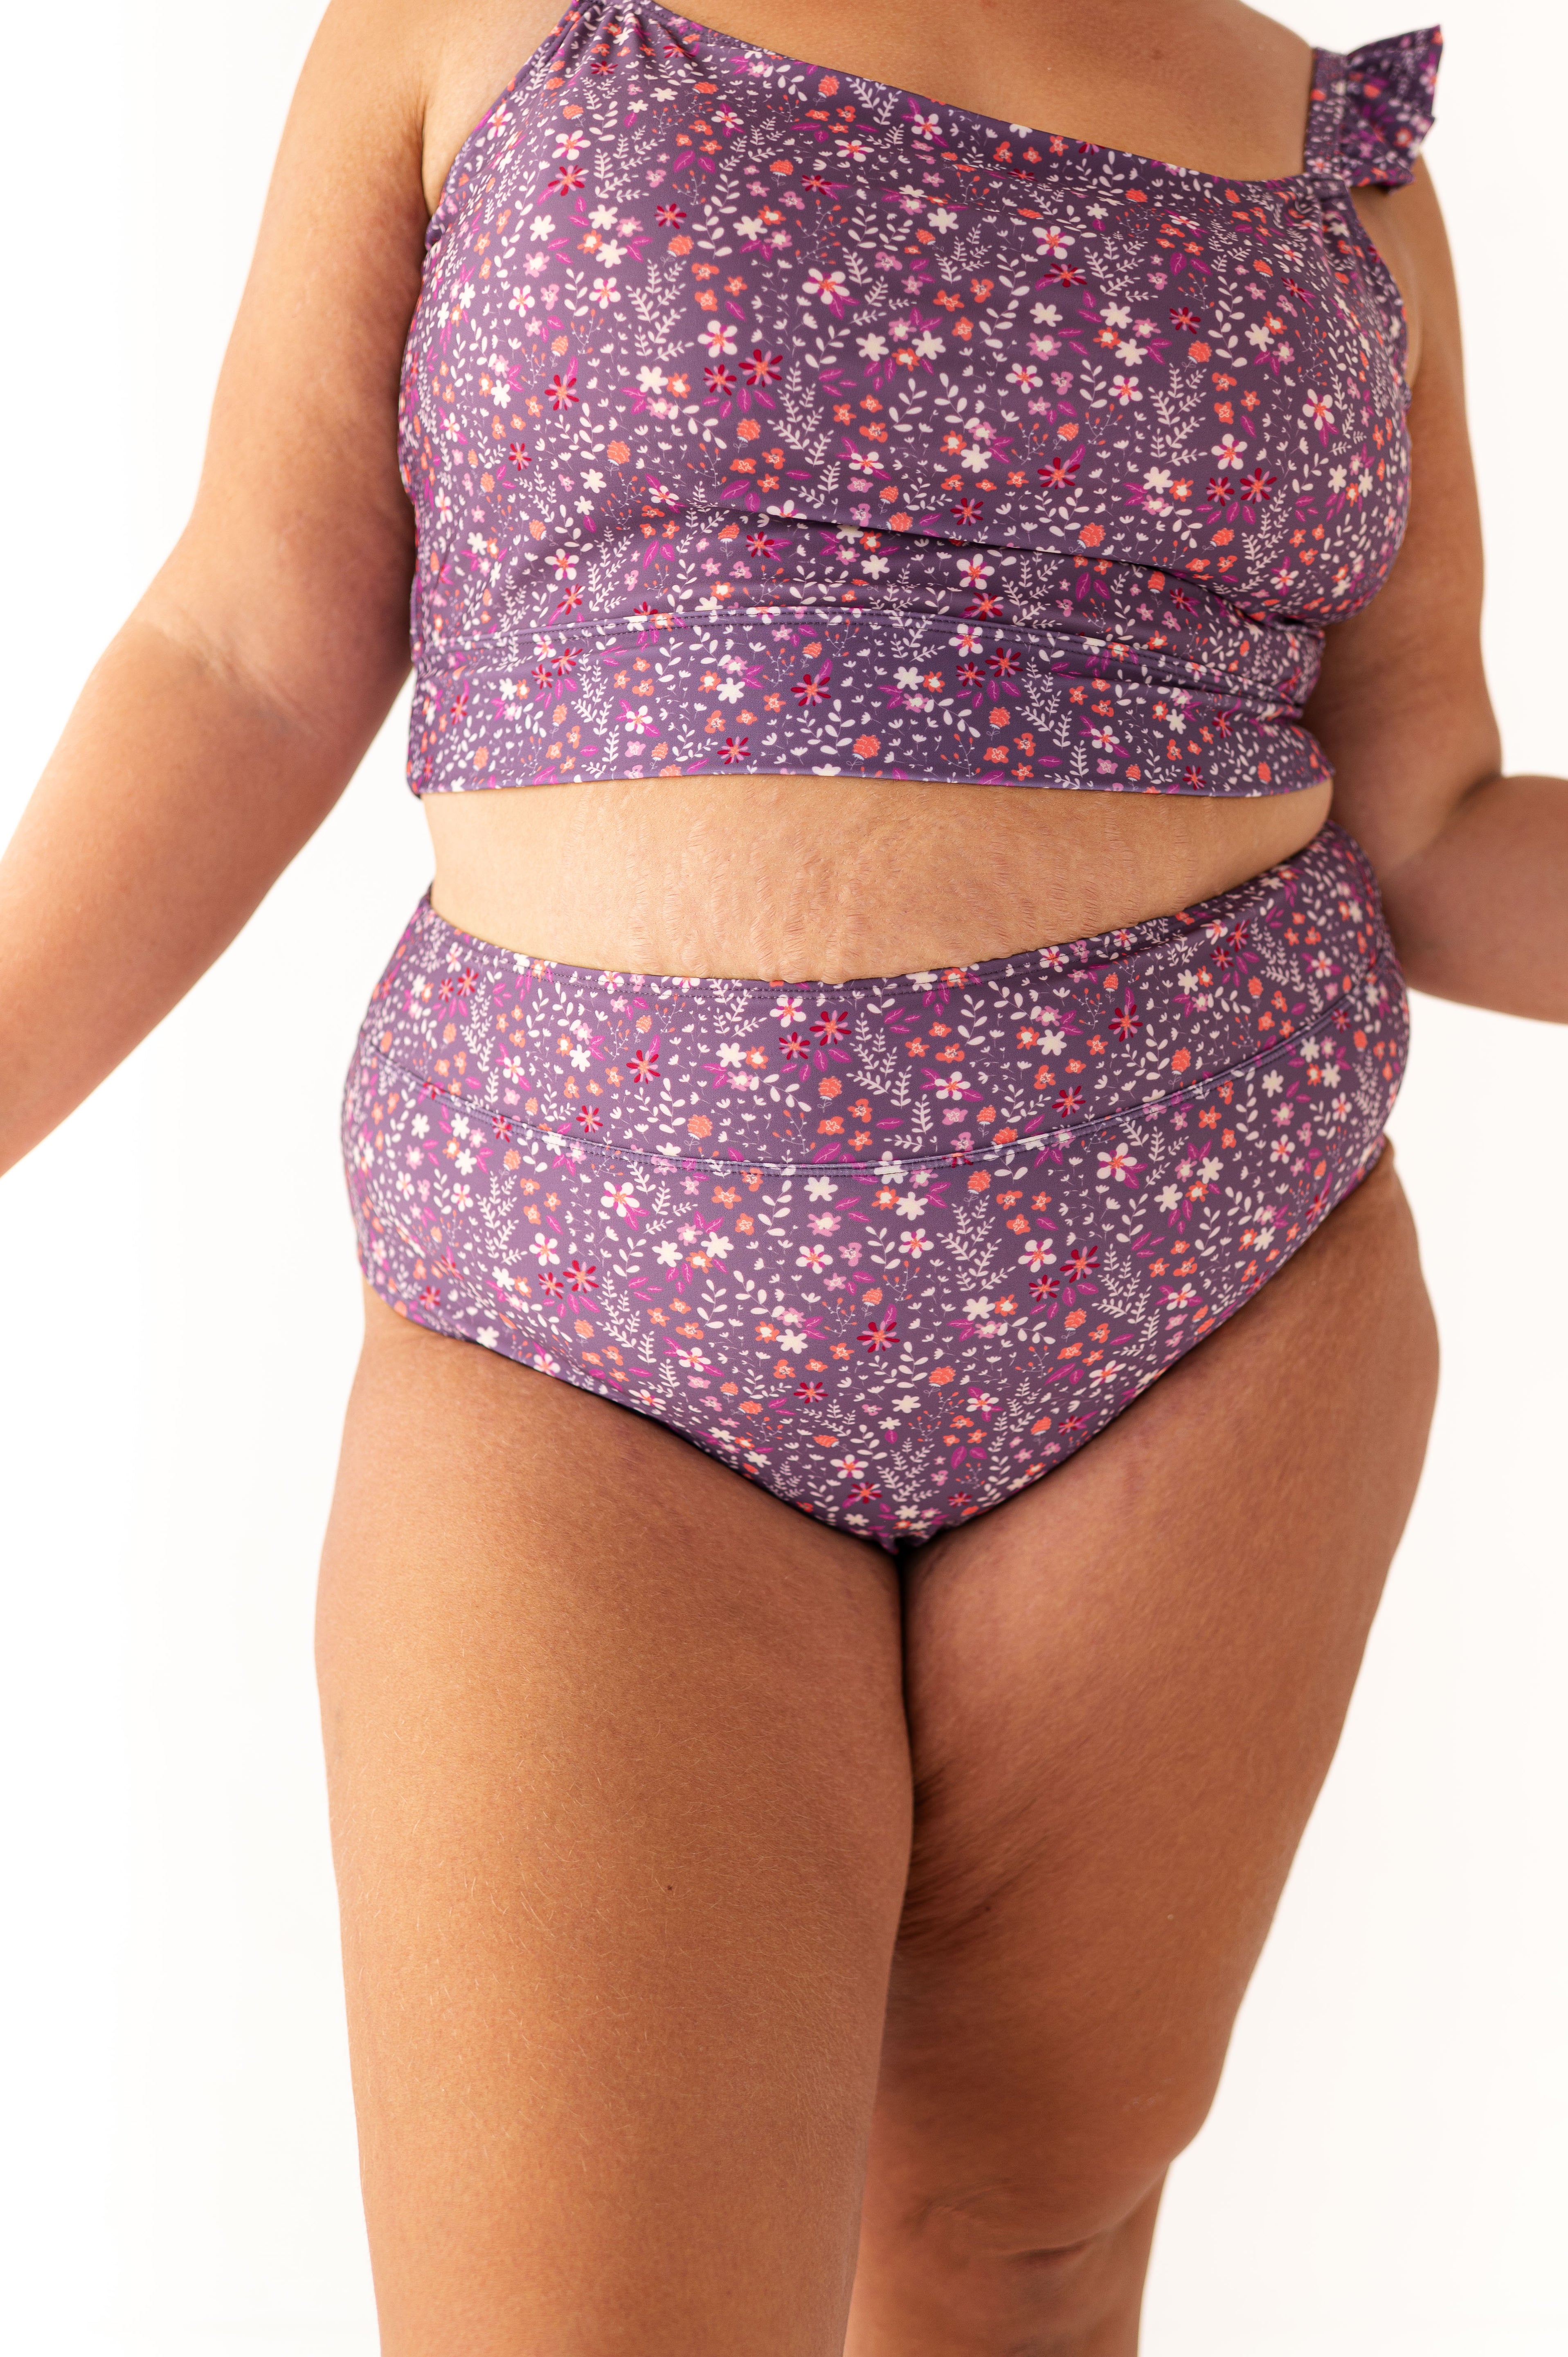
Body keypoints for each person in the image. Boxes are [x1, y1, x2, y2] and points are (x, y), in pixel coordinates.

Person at [5, 2, 1558, 2348]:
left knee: (1013, 2259)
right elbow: (244, 648)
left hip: (1213, 1312)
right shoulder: (490, 28)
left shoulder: (1343, 162)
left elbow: (1432, 821)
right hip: (577, 1331)